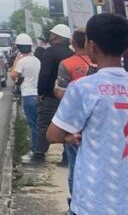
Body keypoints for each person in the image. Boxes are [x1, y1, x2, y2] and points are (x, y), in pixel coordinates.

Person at [47, 13, 128, 215]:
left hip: (94, 201)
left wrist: (69, 136)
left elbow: (53, 135)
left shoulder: (83, 88)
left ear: (92, 46)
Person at [54, 28, 96, 203]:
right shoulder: (102, 64)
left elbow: (59, 92)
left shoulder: (67, 64)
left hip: (73, 125)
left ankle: (75, 201)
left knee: (75, 166)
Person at [36, 24, 74, 161]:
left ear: (56, 37)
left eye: (52, 34)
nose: (50, 37)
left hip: (50, 96)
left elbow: (44, 75)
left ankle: (39, 153)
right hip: (68, 97)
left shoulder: (49, 52)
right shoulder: (72, 54)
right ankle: (66, 156)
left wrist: (40, 92)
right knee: (67, 125)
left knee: (44, 124)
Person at [10, 33, 43, 163]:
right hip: (37, 94)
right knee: (37, 123)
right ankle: (38, 149)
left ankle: (36, 151)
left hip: (28, 95)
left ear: (19, 47)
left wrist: (16, 61)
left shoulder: (22, 61)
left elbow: (13, 76)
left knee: (32, 124)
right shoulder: (37, 60)